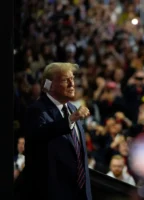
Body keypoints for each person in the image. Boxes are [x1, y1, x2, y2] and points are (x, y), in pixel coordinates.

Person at [24, 62, 92, 200]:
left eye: (72, 78)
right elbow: (42, 134)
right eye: (65, 79)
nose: (72, 84)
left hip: (80, 194)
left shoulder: (73, 109)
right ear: (50, 84)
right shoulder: (37, 111)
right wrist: (71, 119)